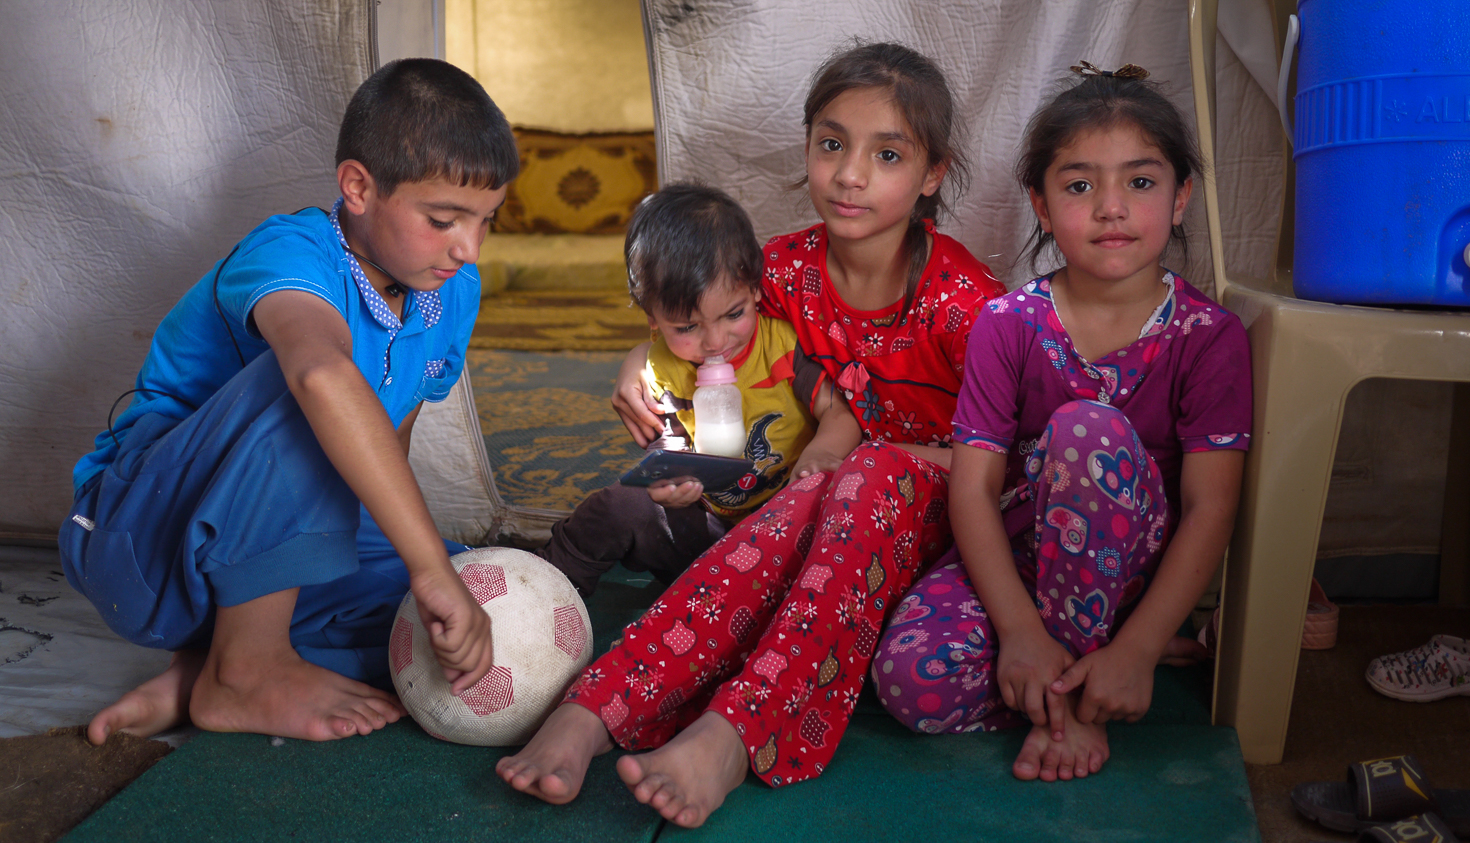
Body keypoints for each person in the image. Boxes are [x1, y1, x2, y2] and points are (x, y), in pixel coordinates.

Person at [497, 41, 1005, 827]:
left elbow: (1004, 465)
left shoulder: (967, 303)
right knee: (791, 509)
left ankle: (732, 736)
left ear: (933, 174)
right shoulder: (779, 272)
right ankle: (594, 709)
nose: (849, 173)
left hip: (936, 515)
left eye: (888, 153)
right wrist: (637, 363)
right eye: (831, 143)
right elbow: (700, 330)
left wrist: (870, 458)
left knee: (857, 475)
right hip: (804, 513)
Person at [57, 58, 516, 745]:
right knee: (323, 388)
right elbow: (321, 379)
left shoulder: (451, 291)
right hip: (142, 540)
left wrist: (433, 578)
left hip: (246, 571)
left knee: (472, 613)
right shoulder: (291, 253)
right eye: (445, 219)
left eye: (487, 221)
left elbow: (389, 443)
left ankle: (202, 674)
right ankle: (247, 669)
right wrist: (428, 570)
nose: (469, 249)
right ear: (358, 187)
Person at [869, 63, 1251, 783]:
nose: (1112, 207)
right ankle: (1071, 678)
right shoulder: (1007, 325)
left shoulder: (1208, 336)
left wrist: (1136, 645)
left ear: (1181, 198)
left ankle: (1075, 698)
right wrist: (1015, 631)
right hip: (1013, 562)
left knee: (1086, 431)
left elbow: (1211, 505)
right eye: (1080, 185)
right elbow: (975, 492)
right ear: (1042, 207)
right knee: (908, 680)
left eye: (1140, 182)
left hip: (1126, 574)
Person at [537, 183, 859, 597]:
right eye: (687, 327)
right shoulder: (659, 370)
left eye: (733, 314)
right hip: (705, 533)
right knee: (618, 506)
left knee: (845, 499)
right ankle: (546, 588)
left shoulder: (783, 346)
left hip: (786, 524)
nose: (715, 340)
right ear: (652, 317)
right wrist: (671, 488)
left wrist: (823, 453)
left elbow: (840, 412)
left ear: (757, 290)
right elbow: (664, 450)